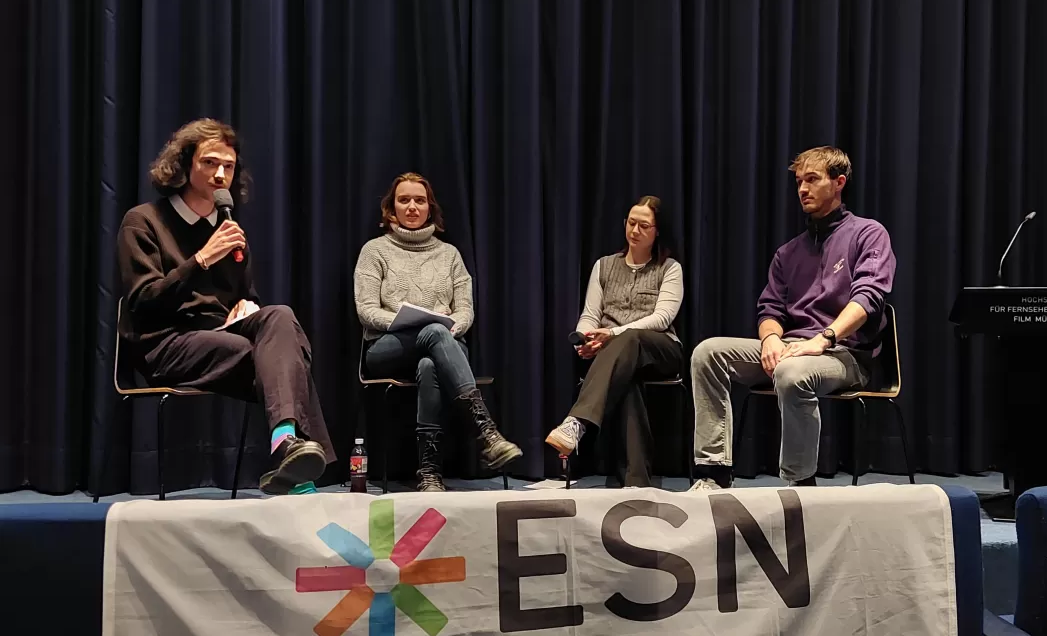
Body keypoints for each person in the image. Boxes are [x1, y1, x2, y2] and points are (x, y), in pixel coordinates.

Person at [116, 118, 333, 495]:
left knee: (280, 318)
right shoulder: (143, 221)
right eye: (209, 163)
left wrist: (248, 305)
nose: (220, 175)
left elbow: (247, 296)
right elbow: (143, 300)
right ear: (185, 165)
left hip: (220, 335)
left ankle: (286, 444)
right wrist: (201, 259)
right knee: (281, 356)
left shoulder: (229, 230)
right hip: (165, 341)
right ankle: (300, 473)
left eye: (228, 166)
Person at [688, 146, 896, 490]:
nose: (802, 189)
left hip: (845, 354)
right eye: (799, 181)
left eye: (812, 179)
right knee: (707, 353)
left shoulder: (868, 233)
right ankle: (714, 474)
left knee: (791, 373)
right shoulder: (788, 252)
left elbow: (868, 298)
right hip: (792, 347)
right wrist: (770, 338)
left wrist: (823, 339)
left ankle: (800, 485)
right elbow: (770, 309)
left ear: (839, 182)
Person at [354, 172, 521, 491]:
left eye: (419, 200)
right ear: (391, 208)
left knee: (430, 363)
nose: (412, 207)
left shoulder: (449, 255)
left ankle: (429, 473)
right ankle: (486, 432)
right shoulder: (375, 251)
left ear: (430, 207)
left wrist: (454, 325)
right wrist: (409, 321)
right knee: (432, 331)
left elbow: (465, 309)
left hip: (444, 345)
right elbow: (366, 310)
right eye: (404, 200)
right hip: (388, 348)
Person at [545, 196, 685, 487]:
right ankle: (637, 481)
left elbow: (662, 318)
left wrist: (612, 333)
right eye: (631, 223)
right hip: (617, 356)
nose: (635, 230)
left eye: (644, 226)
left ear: (657, 231)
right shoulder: (604, 266)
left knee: (630, 338)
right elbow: (590, 315)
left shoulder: (669, 268)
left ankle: (578, 421)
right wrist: (585, 339)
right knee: (628, 381)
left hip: (660, 350)